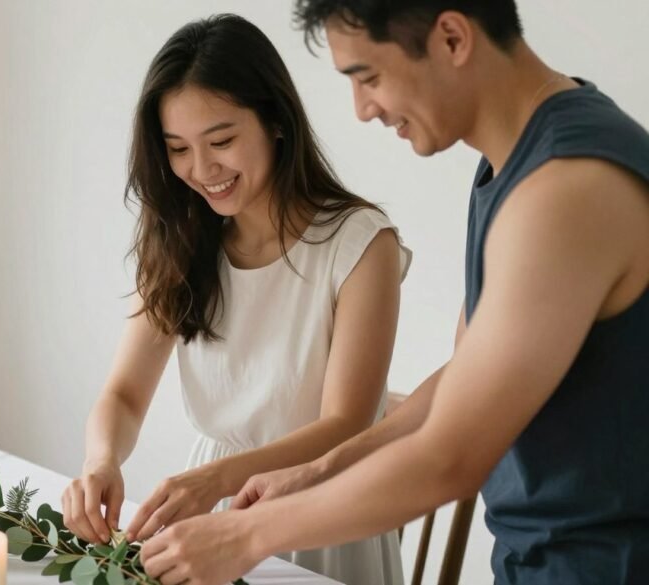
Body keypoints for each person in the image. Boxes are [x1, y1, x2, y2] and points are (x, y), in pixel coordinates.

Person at [140, 2, 649, 584]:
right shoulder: (513, 170)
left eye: (368, 76)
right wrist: (322, 468)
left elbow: (449, 459)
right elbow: (462, 379)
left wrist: (246, 534)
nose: (364, 110)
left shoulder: (566, 188)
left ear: (452, 38)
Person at [61, 13, 411, 585]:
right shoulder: (183, 238)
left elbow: (345, 423)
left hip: (323, 512)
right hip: (214, 509)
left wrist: (219, 480)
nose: (202, 170)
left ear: (274, 120)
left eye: (221, 141)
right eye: (177, 148)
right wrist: (101, 460)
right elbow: (124, 394)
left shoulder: (359, 244)